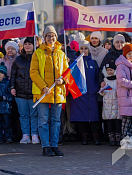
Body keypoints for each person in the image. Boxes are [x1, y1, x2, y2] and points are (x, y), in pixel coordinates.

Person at [30, 25, 68, 156]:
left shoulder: (61, 53)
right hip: (43, 92)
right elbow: (33, 72)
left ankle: (55, 145)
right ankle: (46, 146)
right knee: (43, 120)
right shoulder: (38, 53)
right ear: (44, 38)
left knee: (56, 120)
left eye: (53, 35)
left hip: (57, 92)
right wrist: (43, 87)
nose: (51, 38)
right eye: (48, 36)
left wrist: (62, 81)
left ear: (56, 37)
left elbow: (67, 73)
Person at [10, 37, 40, 144]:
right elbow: (13, 75)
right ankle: (25, 135)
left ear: (34, 45)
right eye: (26, 44)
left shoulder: (38, 58)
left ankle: (35, 134)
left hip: (34, 91)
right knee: (23, 115)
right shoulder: (18, 59)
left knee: (34, 115)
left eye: (30, 44)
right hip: (20, 92)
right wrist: (12, 87)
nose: (27, 46)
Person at [70, 40, 100, 145]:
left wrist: (95, 88)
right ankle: (84, 137)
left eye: (86, 49)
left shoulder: (94, 63)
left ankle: (95, 137)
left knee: (94, 117)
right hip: (80, 95)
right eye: (82, 48)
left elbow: (97, 77)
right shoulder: (74, 63)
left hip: (91, 94)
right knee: (81, 117)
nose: (84, 51)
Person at [100, 60, 120, 146]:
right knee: (109, 122)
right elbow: (102, 93)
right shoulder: (105, 80)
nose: (109, 72)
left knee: (118, 122)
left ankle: (118, 137)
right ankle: (111, 138)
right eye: (108, 70)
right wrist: (102, 89)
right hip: (107, 105)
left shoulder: (118, 80)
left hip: (116, 104)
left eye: (111, 70)